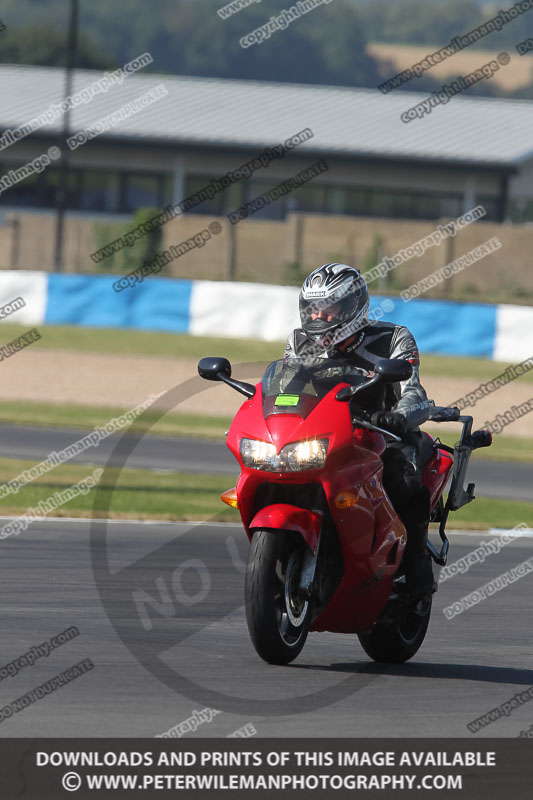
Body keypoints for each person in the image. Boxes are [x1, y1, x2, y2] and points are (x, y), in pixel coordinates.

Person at [285, 262, 434, 597]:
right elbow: (287, 389)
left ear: (352, 307)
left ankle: (415, 566)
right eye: (312, 310)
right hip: (325, 433)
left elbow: (414, 391)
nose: (318, 318)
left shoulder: (393, 337)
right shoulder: (299, 341)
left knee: (404, 478)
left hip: (382, 434)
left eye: (329, 310)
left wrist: (398, 416)